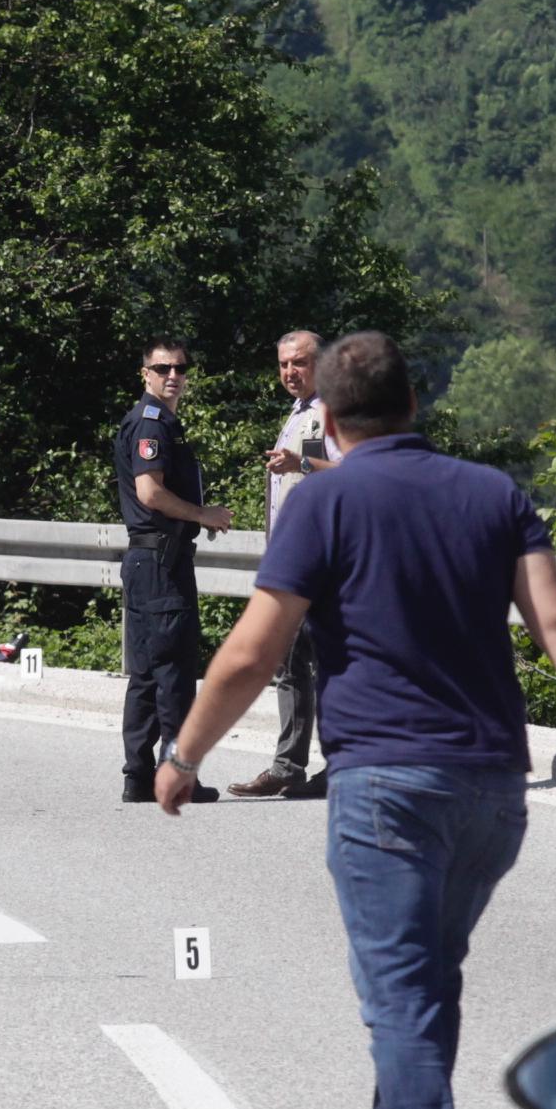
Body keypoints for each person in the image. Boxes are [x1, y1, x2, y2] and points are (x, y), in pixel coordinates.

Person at [155, 331, 556, 1109]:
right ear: (414, 403)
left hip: (386, 785)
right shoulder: (494, 495)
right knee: (426, 986)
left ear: (325, 415)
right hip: (489, 789)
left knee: (401, 996)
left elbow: (252, 653)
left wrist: (185, 753)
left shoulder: (323, 501)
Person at [114, 335, 231, 805]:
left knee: (146, 671)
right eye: (163, 368)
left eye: (181, 368)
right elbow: (150, 493)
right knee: (173, 672)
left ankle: (137, 776)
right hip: (161, 561)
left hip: (149, 559)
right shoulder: (152, 424)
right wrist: (204, 514)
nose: (173, 376)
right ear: (145, 373)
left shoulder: (158, 422)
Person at [228, 330, 338, 800]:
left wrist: (302, 465)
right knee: (290, 664)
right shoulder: (297, 414)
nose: (290, 372)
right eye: (283, 365)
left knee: (333, 666)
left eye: (299, 362)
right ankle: (288, 766)